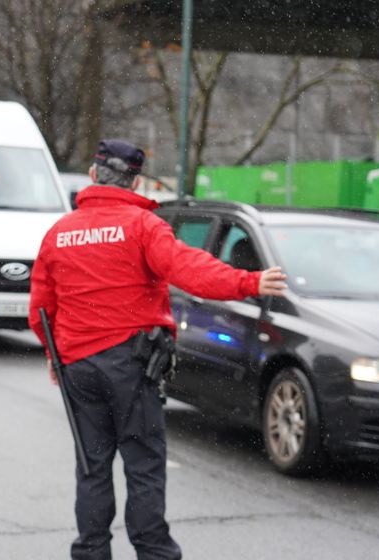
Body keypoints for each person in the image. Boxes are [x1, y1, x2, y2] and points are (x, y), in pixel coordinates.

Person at [28, 140, 287, 560]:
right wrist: (249, 282)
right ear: (135, 180)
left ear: (93, 176)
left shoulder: (59, 233)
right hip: (131, 363)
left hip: (78, 364)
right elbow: (190, 270)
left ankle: (92, 551)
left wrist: (52, 353)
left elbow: (40, 308)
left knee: (92, 466)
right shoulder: (142, 226)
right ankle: (154, 552)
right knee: (143, 463)